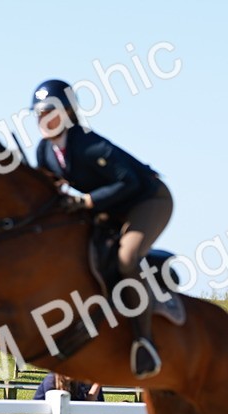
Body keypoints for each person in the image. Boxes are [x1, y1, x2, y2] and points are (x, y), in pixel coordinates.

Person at [31, 78, 174, 380]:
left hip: (148, 200)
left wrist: (85, 200)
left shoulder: (86, 142)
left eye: (48, 111)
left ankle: (144, 341)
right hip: (108, 209)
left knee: (126, 257)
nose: (42, 119)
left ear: (68, 113)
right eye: (38, 113)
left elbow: (129, 182)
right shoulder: (44, 152)